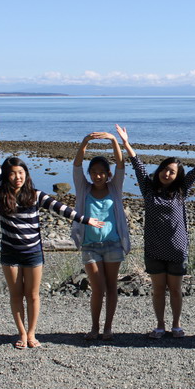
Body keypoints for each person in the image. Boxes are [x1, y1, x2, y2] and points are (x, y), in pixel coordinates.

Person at [0, 117, 104, 349]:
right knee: (15, 295)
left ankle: (32, 333)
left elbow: (61, 209)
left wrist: (86, 220)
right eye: (12, 173)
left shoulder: (36, 195)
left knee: (32, 295)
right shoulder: (1, 192)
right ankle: (21, 333)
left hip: (33, 252)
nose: (17, 177)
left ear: (26, 174)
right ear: (6, 176)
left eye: (21, 172)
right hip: (10, 253)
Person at [116, 124, 195, 339]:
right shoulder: (148, 189)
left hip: (177, 249)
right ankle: (160, 325)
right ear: (159, 170)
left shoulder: (180, 191)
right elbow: (138, 165)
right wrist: (126, 143)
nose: (167, 174)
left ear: (177, 176)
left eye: (172, 172)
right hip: (154, 249)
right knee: (158, 290)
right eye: (165, 169)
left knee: (175, 290)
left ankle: (176, 325)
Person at [71, 132, 131, 341]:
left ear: (108, 174)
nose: (98, 176)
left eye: (102, 173)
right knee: (97, 288)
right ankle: (94, 327)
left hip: (113, 244)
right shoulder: (83, 189)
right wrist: (84, 142)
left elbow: (121, 165)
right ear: (89, 174)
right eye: (94, 172)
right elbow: (76, 166)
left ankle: (108, 328)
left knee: (112, 287)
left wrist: (114, 141)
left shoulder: (114, 188)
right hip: (90, 246)